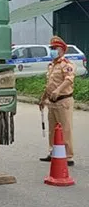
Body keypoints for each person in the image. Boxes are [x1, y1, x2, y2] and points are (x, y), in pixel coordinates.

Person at [39, 35, 75, 166]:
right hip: (52, 102)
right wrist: (43, 99)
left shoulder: (67, 64)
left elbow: (69, 79)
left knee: (65, 129)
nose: (52, 50)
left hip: (63, 101)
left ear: (62, 50)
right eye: (51, 48)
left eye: (55, 48)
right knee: (52, 130)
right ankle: (53, 152)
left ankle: (68, 156)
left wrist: (58, 90)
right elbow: (49, 85)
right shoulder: (51, 66)